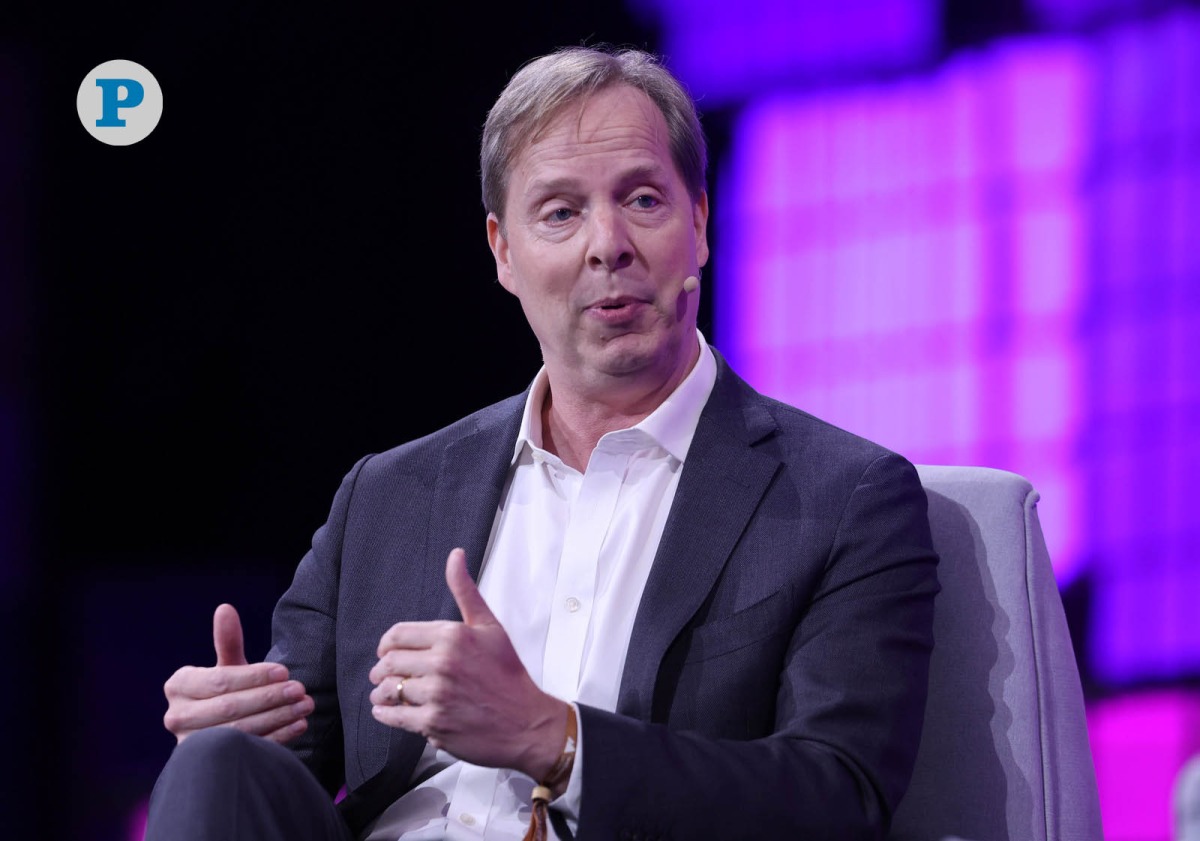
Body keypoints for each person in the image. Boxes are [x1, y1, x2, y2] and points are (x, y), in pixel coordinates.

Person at [146, 44, 939, 841]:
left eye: (642, 200)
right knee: (216, 766)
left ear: (698, 223)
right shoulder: (386, 495)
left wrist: (552, 739)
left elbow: (839, 798)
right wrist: (233, 726)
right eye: (560, 212)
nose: (608, 244)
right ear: (503, 252)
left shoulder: (842, 498)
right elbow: (292, 766)